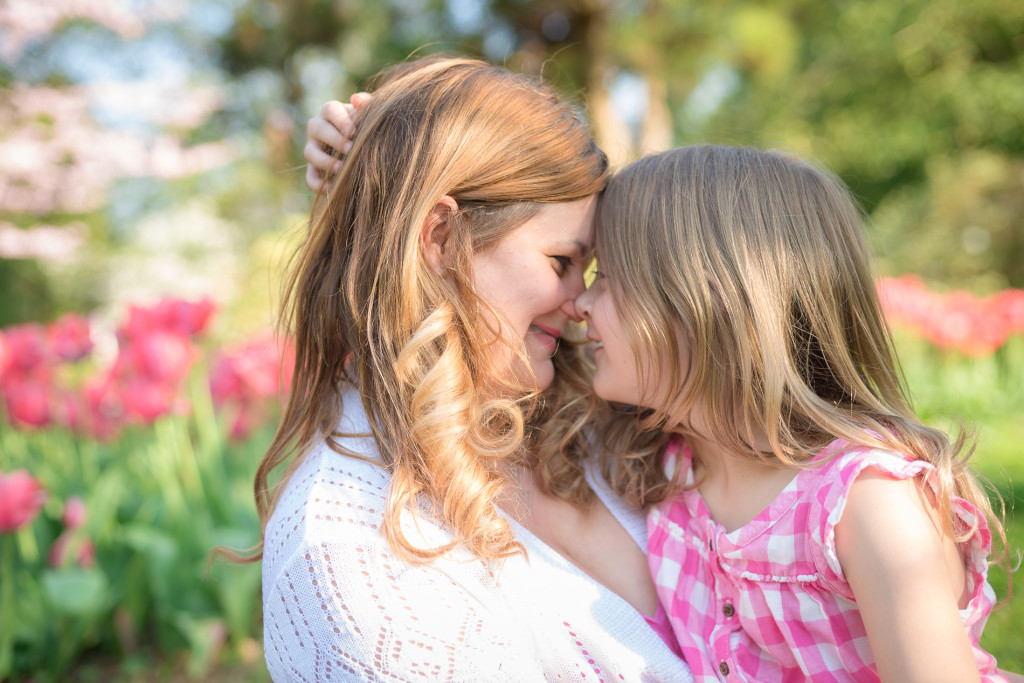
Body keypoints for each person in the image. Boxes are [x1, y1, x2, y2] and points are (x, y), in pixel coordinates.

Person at [259, 56, 693, 681]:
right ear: (438, 237)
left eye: (590, 270)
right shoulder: (353, 554)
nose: (580, 305)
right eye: (560, 262)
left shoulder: (592, 426)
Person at [573, 144, 1011, 681]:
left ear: (709, 300)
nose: (581, 303)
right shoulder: (668, 474)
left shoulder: (867, 505)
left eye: (609, 277)